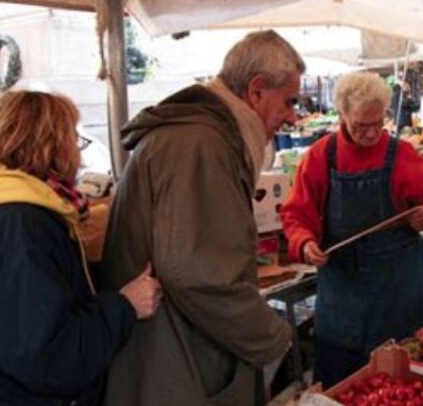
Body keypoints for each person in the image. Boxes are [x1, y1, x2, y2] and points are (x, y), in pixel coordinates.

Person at [99, 30, 302, 406]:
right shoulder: (199, 145)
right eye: (288, 102)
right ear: (256, 90)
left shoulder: (204, 138)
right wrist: (273, 338)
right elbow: (201, 274)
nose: (291, 117)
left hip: (178, 351)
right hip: (176, 361)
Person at [0, 90, 162, 406]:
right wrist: (124, 306)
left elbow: (35, 302)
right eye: (74, 140)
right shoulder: (18, 226)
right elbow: (46, 357)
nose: (79, 156)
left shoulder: (8, 207)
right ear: (51, 146)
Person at [281, 72, 423, 388]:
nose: (372, 133)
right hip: (343, 300)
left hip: (401, 293)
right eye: (362, 125)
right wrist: (305, 243)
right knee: (345, 388)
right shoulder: (322, 157)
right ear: (342, 115)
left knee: (410, 386)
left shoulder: (401, 154)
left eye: (379, 123)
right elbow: (296, 216)